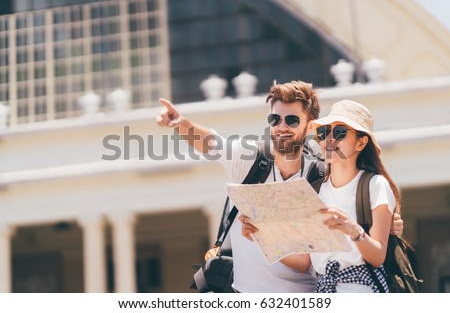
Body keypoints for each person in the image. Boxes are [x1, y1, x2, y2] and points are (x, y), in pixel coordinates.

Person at [157, 80, 403, 292]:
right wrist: (181, 124)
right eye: (275, 119)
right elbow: (211, 142)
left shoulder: (320, 175)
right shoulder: (249, 162)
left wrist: (387, 224)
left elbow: (354, 205)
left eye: (292, 120)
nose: (282, 126)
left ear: (309, 126)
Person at [311, 99, 398, 292]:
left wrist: (354, 231)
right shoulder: (313, 191)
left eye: (340, 132)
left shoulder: (376, 185)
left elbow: (377, 257)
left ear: (361, 142)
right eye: (324, 132)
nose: (329, 139)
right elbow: (302, 261)